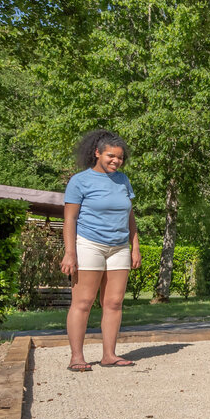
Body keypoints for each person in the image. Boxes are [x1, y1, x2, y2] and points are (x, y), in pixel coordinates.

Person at [61, 129, 142, 371]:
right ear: (97, 153)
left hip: (119, 247)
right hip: (89, 244)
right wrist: (70, 252)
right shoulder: (80, 181)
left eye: (119, 157)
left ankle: (109, 355)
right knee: (83, 302)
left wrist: (134, 246)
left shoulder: (123, 180)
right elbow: (70, 219)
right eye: (110, 156)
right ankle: (77, 356)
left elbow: (130, 215)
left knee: (114, 303)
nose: (116, 161)